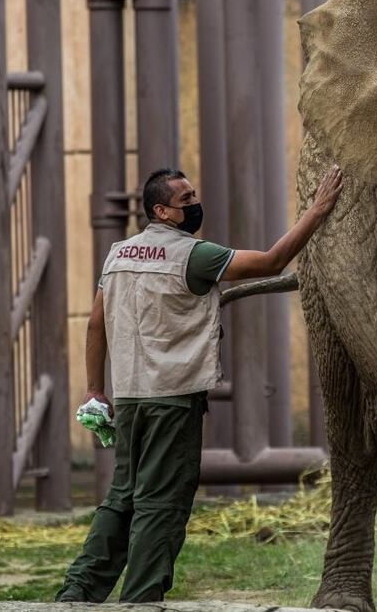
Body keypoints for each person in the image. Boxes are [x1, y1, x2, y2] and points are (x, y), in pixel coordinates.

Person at [56, 166, 343, 603]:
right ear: (162, 211)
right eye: (185, 199)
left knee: (123, 497)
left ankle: (78, 592)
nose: (194, 204)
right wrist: (318, 210)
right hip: (173, 398)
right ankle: (141, 598)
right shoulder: (193, 255)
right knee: (161, 501)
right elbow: (271, 261)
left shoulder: (119, 255)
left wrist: (96, 388)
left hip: (130, 397)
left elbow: (96, 324)